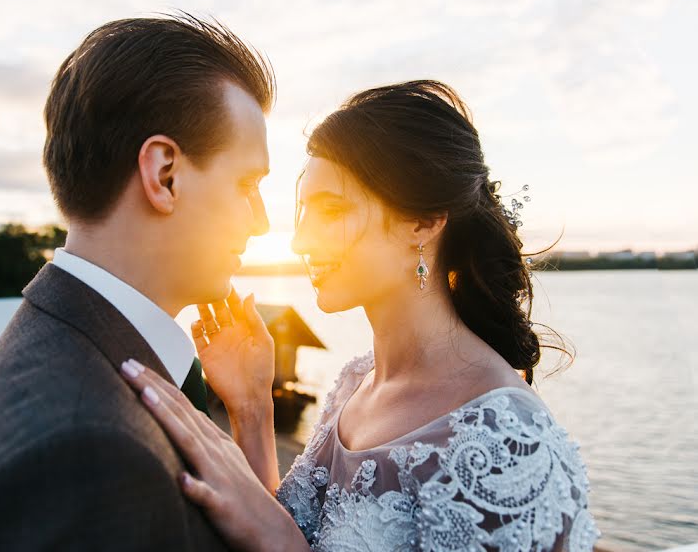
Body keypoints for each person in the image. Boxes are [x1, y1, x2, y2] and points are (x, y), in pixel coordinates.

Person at [120, 81, 601, 551]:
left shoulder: (503, 437)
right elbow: (280, 524)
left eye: (331, 210)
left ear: (424, 221)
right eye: (303, 212)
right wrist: (251, 407)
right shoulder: (354, 383)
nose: (301, 240)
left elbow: (281, 541)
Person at [0, 14, 275, 551]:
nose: (260, 221)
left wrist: (253, 417)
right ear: (164, 174)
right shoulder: (89, 457)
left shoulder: (71, 346)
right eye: (246, 183)